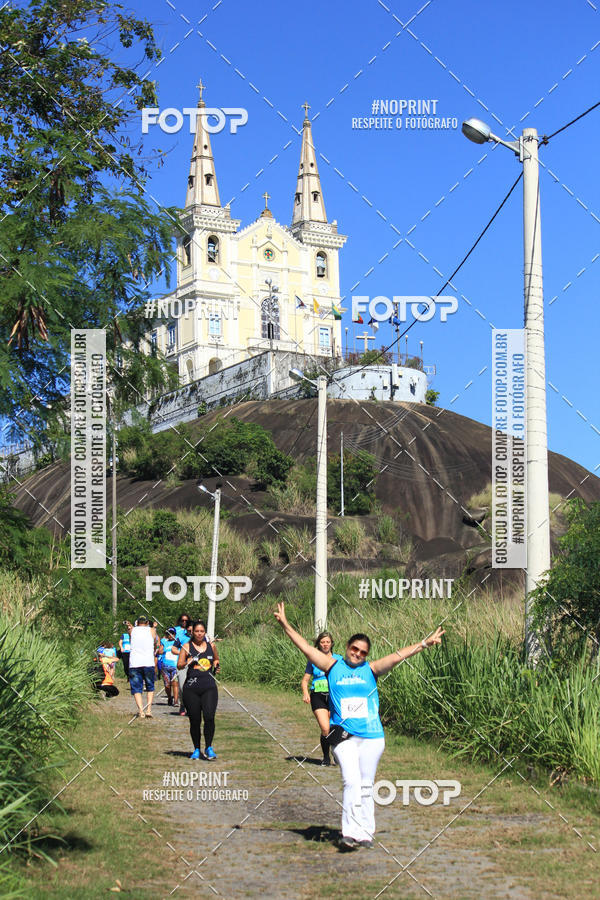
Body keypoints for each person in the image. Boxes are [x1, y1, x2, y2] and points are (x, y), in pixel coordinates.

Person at [274, 601, 444, 851]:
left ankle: (365, 833)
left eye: (363, 652)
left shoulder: (371, 669)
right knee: (351, 780)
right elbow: (304, 647)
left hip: (372, 736)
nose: (358, 654)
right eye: (355, 649)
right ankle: (349, 833)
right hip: (343, 736)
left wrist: (424, 644)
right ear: (347, 648)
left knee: (366, 784)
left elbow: (398, 655)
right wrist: (286, 625)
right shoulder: (332, 666)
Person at [177, 620, 220, 760]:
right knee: (195, 720)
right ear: (192, 632)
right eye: (197, 631)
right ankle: (196, 748)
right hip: (191, 688)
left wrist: (216, 665)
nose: (199, 634)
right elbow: (179, 665)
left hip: (209, 687)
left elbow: (215, 659)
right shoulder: (186, 646)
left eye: (202, 631)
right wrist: (188, 661)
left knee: (209, 717)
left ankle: (208, 747)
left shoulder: (211, 646)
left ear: (205, 632)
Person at [301, 631, 342, 766]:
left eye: (327, 642)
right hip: (318, 695)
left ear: (331, 644)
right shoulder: (313, 660)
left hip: (334, 696)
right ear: (319, 644)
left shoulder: (339, 659)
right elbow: (305, 680)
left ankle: (335, 753)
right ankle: (326, 757)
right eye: (322, 642)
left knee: (334, 727)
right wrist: (305, 693)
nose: (325, 644)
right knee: (325, 728)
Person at [126, 615, 157, 719]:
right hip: (148, 662)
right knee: (150, 687)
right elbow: (155, 641)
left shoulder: (133, 630)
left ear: (137, 622)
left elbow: (130, 633)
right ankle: (148, 709)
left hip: (135, 663)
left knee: (136, 688)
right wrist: (154, 627)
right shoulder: (151, 630)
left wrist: (129, 627)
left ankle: (141, 710)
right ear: (147, 622)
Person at [173, 614, 192, 716]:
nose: (191, 632)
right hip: (182, 664)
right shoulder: (180, 637)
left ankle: (192, 706)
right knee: (182, 686)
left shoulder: (199, 638)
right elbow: (173, 649)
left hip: (196, 665)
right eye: (189, 630)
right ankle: (182, 705)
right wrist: (182, 653)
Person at [160, 627, 180, 707]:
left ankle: (175, 701)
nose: (171, 635)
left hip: (175, 666)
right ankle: (169, 697)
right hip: (165, 666)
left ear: (175, 634)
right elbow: (160, 651)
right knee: (167, 685)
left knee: (175, 683)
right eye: (169, 633)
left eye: (172, 633)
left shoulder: (178, 642)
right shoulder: (164, 642)